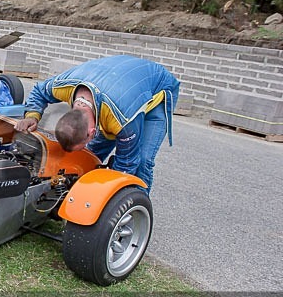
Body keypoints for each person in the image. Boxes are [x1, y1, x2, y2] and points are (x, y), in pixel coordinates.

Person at [14, 55, 179, 193]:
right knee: (89, 154)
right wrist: (32, 116)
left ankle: (135, 213)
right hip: (117, 82)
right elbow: (39, 91)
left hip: (158, 90)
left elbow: (126, 164)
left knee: (142, 161)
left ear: (92, 132)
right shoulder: (64, 86)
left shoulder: (122, 119)